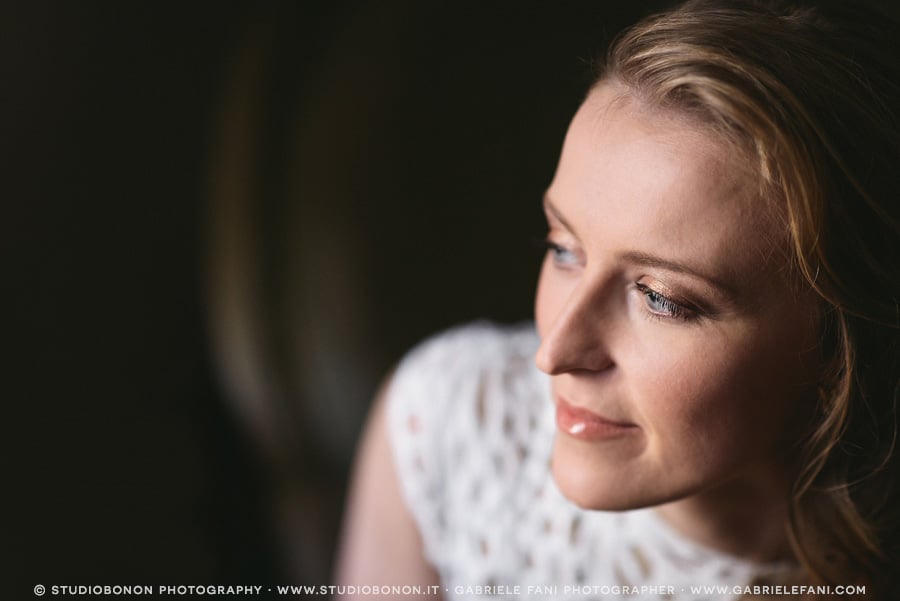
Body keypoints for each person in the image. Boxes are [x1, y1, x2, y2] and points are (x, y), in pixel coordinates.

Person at [335, 0, 900, 598]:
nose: (554, 353)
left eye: (661, 298)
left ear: (843, 344)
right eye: (563, 249)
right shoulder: (448, 421)